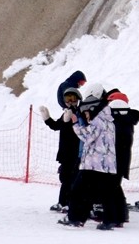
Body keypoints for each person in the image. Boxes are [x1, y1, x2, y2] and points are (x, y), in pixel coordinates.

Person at [60, 83, 120, 229]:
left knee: (78, 191)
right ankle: (109, 220)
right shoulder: (108, 118)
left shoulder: (99, 119)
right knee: (106, 194)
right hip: (105, 163)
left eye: (88, 110)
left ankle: (75, 218)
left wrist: (75, 123)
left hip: (94, 163)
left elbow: (88, 136)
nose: (86, 113)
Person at [40, 80, 84, 212]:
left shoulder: (80, 114)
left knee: (72, 178)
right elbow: (56, 126)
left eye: (73, 99)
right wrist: (47, 118)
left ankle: (70, 203)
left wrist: (68, 121)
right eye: (67, 99)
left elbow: (81, 131)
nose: (70, 102)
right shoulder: (66, 113)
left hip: (75, 153)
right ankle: (62, 202)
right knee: (65, 177)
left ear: (78, 100)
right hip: (65, 152)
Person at [102, 89, 139, 228]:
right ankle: (120, 216)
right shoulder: (125, 120)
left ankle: (115, 217)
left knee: (111, 188)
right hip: (120, 160)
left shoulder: (117, 121)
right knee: (114, 187)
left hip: (114, 160)